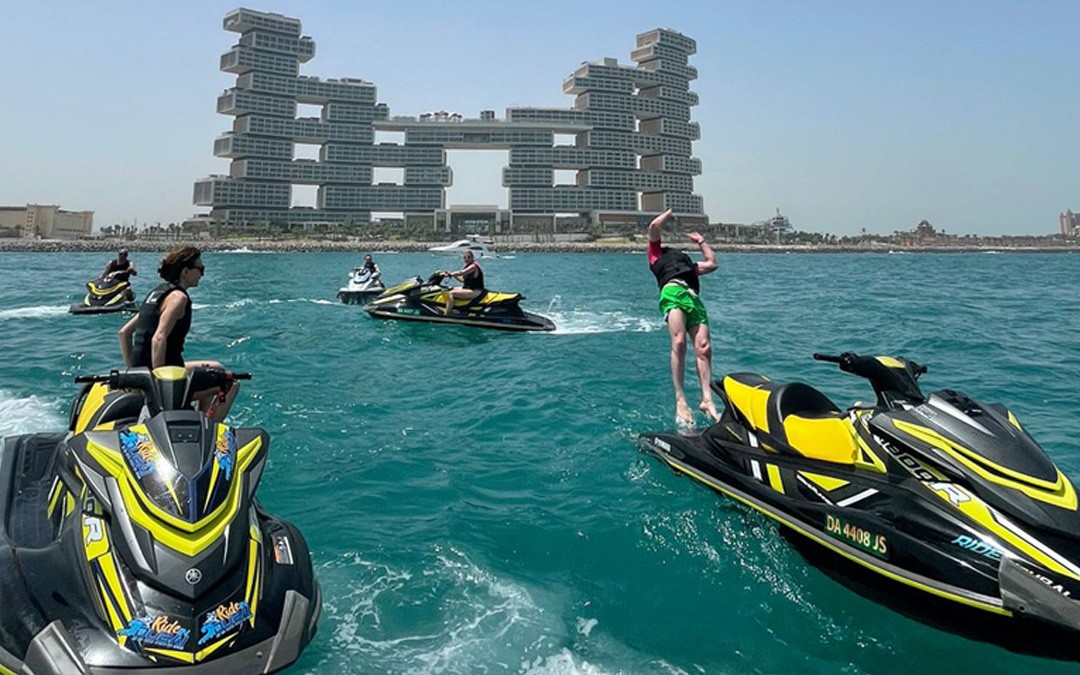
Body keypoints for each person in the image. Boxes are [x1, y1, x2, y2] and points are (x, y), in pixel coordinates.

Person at [117, 246, 239, 422]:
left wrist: (134, 373)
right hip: (162, 377)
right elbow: (158, 338)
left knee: (215, 370)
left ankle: (199, 418)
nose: (202, 274)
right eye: (200, 269)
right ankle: (208, 429)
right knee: (231, 384)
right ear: (185, 271)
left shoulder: (157, 293)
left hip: (145, 373)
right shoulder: (178, 299)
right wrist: (159, 387)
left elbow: (124, 333)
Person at [647, 208, 720, 428]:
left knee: (704, 348)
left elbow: (712, 262)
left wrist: (701, 241)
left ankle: (707, 399)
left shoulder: (689, 265)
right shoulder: (656, 256)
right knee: (679, 343)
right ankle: (681, 400)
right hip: (672, 293)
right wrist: (669, 212)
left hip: (692, 297)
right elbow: (653, 227)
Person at [442, 249, 484, 315]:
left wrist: (450, 274)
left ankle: (447, 313)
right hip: (469, 289)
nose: (466, 259)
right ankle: (453, 307)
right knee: (448, 289)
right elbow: (463, 281)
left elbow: (462, 272)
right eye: (464, 258)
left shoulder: (473, 267)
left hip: (475, 291)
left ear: (472, 258)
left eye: (468, 257)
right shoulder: (467, 266)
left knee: (451, 293)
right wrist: (453, 275)